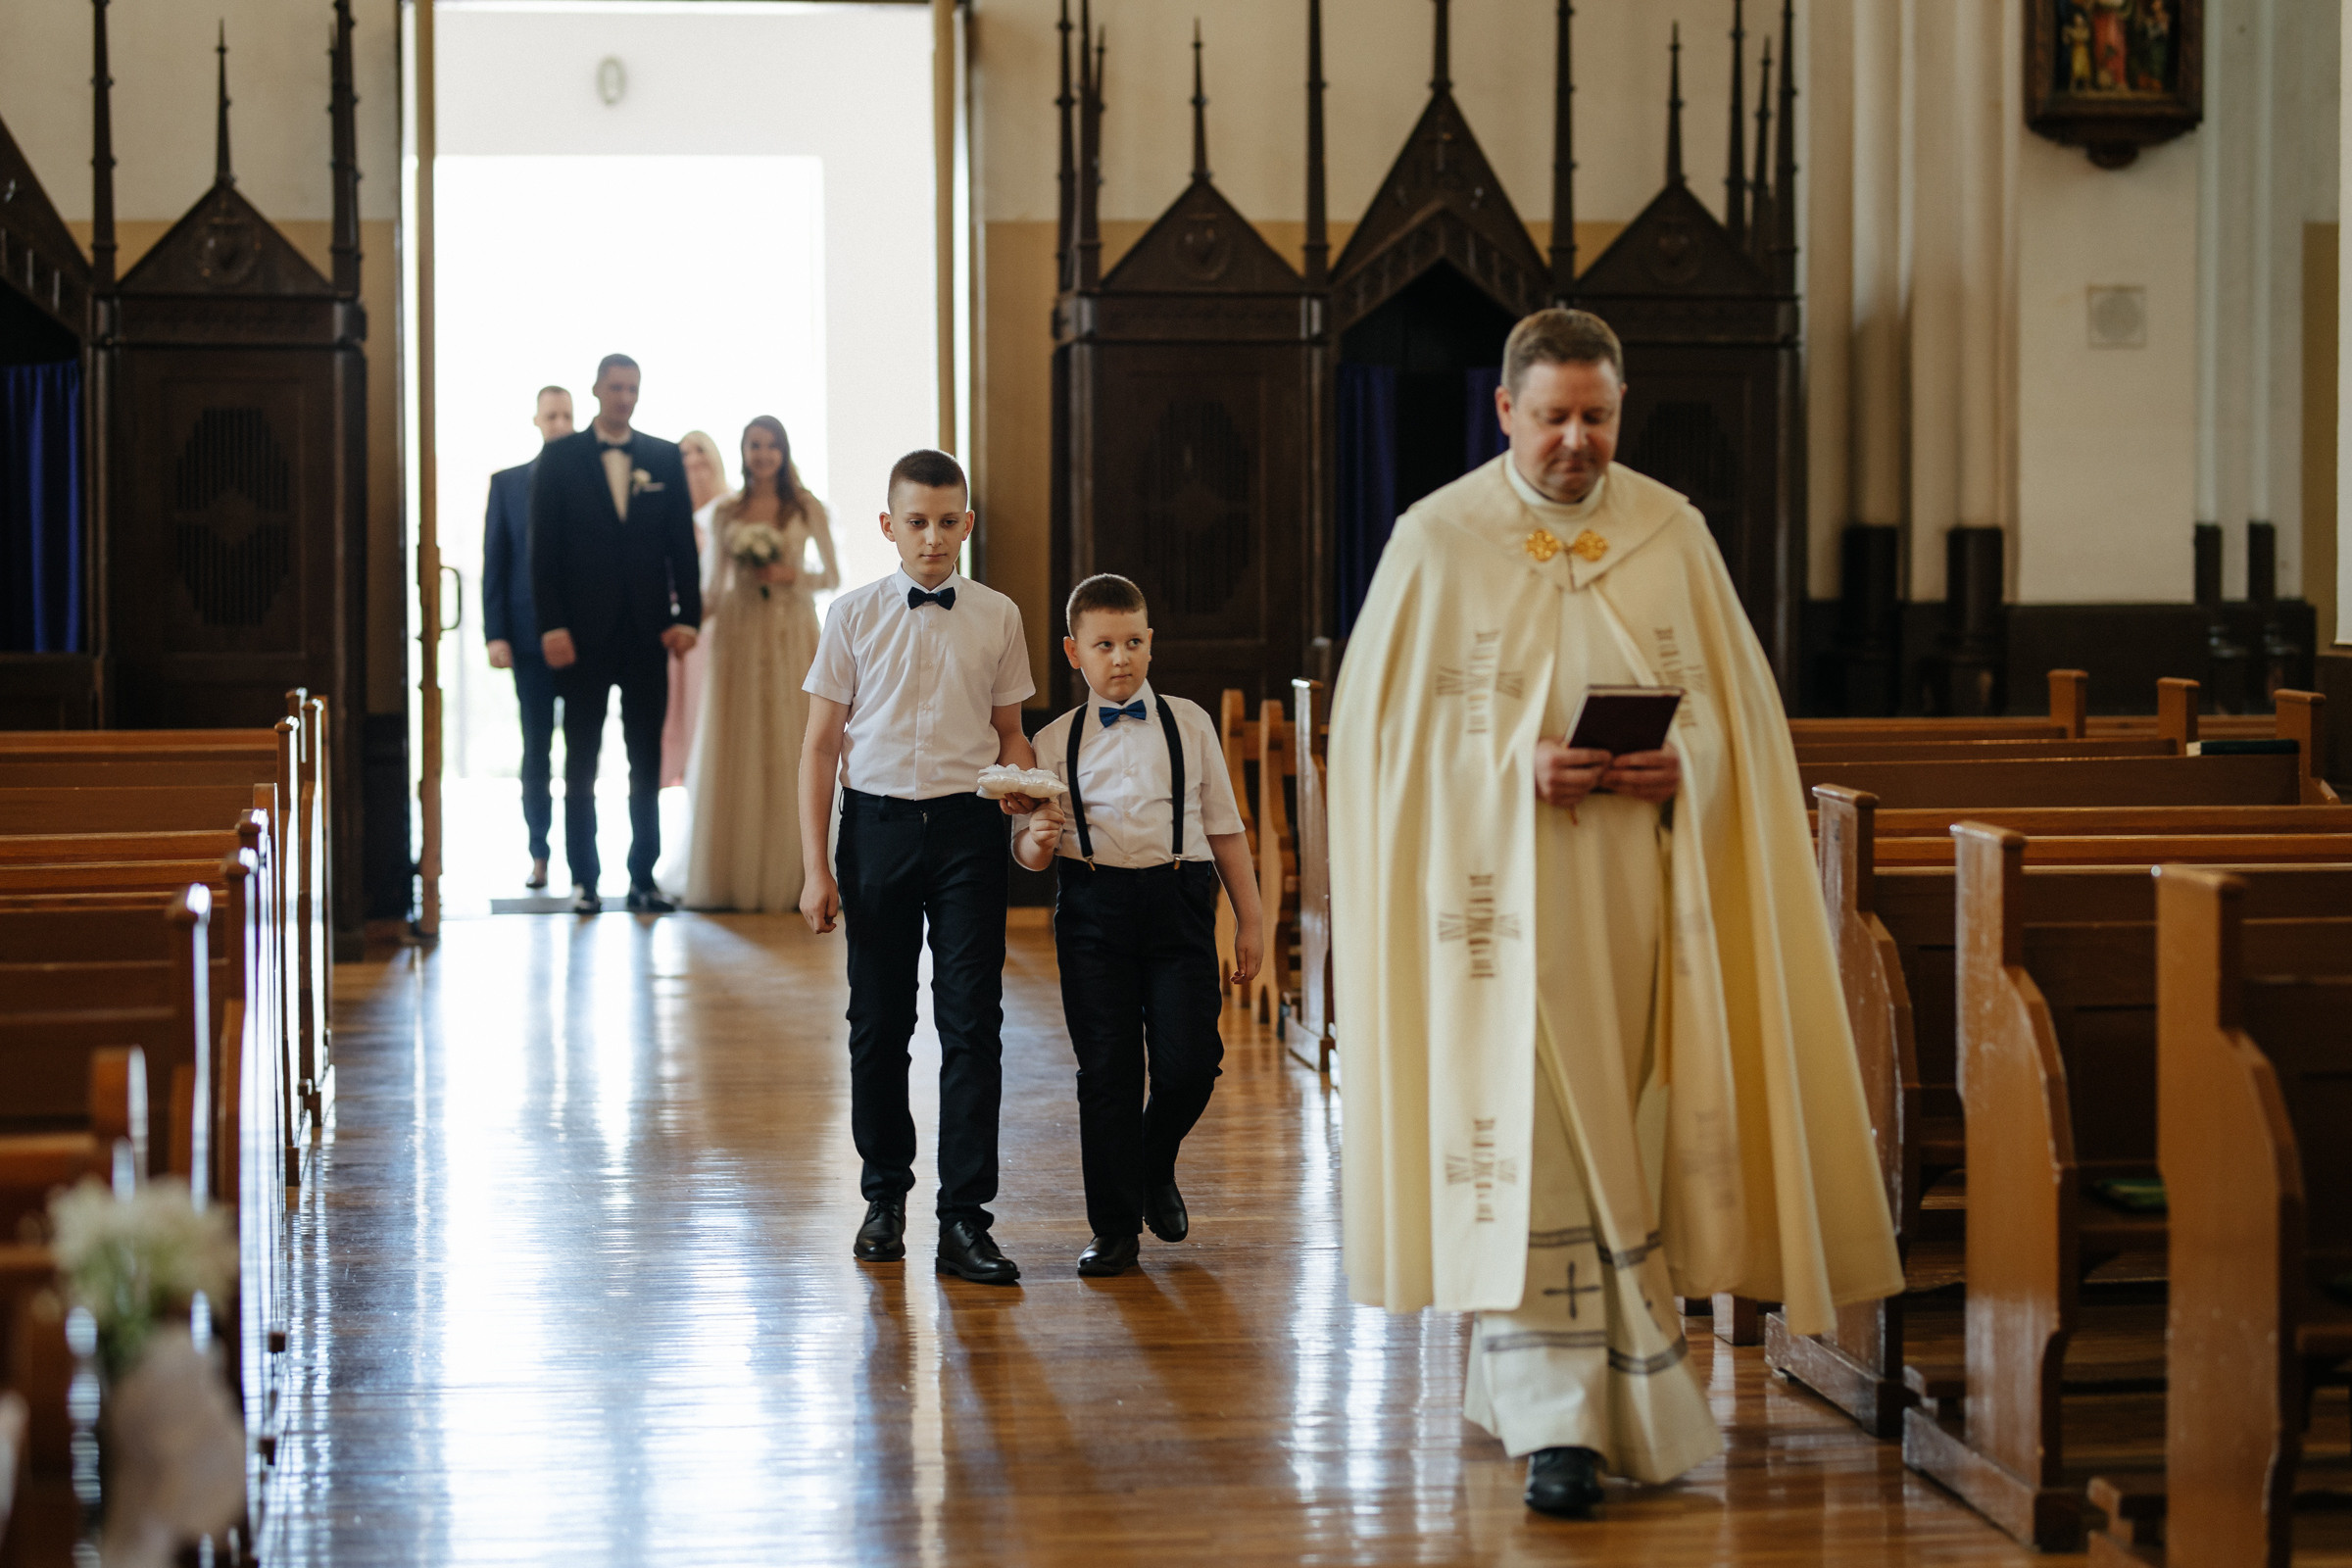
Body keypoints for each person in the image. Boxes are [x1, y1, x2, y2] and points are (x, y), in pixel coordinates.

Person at [1327, 309, 1901, 1518]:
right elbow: (1376, 753)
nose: (1578, 442)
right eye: (1554, 418)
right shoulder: (1437, 541)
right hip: (1497, 933)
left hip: (1648, 918)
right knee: (1536, 1149)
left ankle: (1601, 1397)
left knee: (1627, 1146)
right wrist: (1508, 769)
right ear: (1504, 412)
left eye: (1597, 417)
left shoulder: (1669, 533)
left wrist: (1683, 762)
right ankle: (1562, 1429)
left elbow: (1741, 724)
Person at [799, 449, 1037, 1286]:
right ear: (888, 527)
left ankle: (966, 1218)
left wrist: (1024, 790)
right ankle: (884, 1197)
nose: (932, 537)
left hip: (970, 829)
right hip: (877, 828)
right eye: (916, 522)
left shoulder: (999, 615)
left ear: (967, 524)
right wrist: (815, 867)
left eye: (947, 521)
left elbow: (1010, 731)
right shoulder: (853, 616)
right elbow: (822, 746)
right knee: (879, 1022)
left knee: (973, 1022)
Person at [1011, 574, 1263, 1277]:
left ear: (1150, 644)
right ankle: (1115, 1227)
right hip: (1092, 909)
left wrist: (1252, 921)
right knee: (1109, 1072)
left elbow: (1227, 831)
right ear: (1073, 652)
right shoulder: (1053, 740)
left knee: (1190, 1065)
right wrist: (1038, 834)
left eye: (1132, 642)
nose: (1119, 657)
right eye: (1103, 644)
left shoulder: (1191, 723)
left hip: (1179, 902)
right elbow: (1029, 856)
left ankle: (1153, 1163)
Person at [528, 353, 703, 915]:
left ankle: (643, 878)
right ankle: (584, 879)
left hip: (647, 633)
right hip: (580, 635)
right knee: (579, 757)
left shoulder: (663, 457)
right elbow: (543, 552)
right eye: (616, 387)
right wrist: (551, 624)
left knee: (645, 760)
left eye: (633, 388)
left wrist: (689, 617)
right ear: (598, 389)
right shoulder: (558, 459)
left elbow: (682, 544)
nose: (625, 397)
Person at [684, 416, 839, 911]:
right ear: (744, 450)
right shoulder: (727, 512)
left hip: (793, 631)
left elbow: (830, 576)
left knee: (794, 741)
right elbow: (712, 586)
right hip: (740, 631)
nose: (763, 454)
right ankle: (732, 870)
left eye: (772, 445)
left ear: (783, 450)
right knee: (741, 741)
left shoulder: (806, 505)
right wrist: (686, 626)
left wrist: (790, 574)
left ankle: (803, 870)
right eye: (755, 445)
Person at [481, 384, 573, 890]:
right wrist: (496, 634)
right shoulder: (508, 484)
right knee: (535, 749)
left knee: (581, 754)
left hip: (582, 644)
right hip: (526, 641)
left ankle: (586, 866)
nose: (559, 424)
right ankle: (539, 854)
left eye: (566, 416)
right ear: (536, 421)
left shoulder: (589, 483)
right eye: (551, 416)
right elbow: (495, 563)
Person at [662, 431, 727, 790]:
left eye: (699, 450)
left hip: (717, 626)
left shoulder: (729, 510)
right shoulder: (673, 515)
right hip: (683, 628)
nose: (691, 459)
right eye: (683, 452)